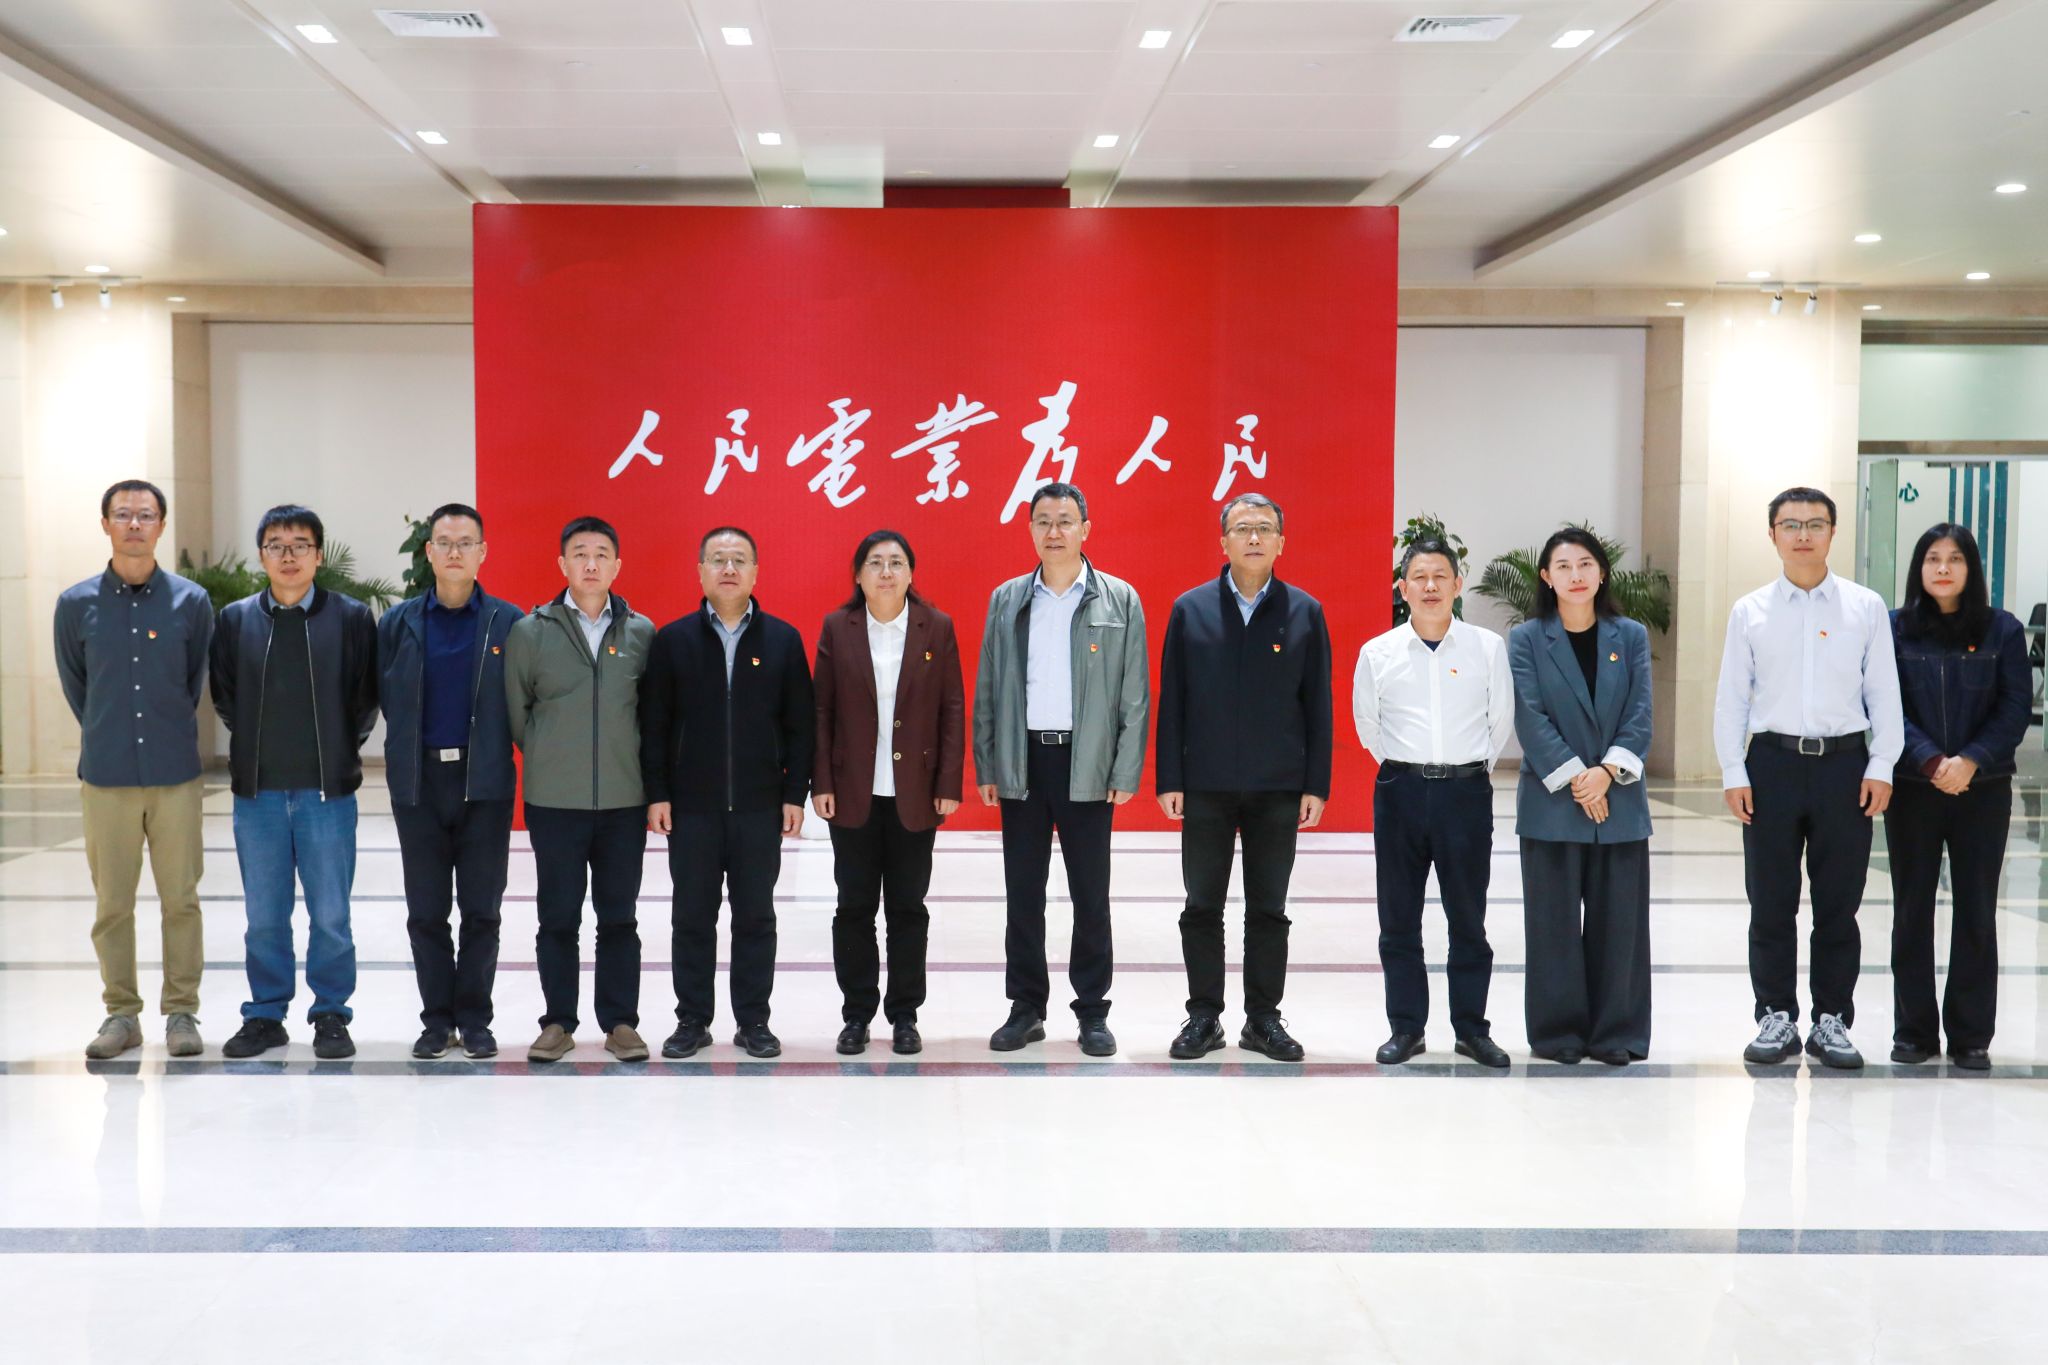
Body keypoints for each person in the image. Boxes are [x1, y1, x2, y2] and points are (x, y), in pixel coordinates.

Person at [1715, 486, 1902, 1069]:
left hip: (1845, 767)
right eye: (1791, 525)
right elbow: (1732, 697)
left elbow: (1884, 693)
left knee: (1838, 904)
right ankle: (1775, 1015)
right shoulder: (1750, 611)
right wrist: (1733, 769)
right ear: (1772, 534)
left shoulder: (1865, 607)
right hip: (1771, 765)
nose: (1803, 535)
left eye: (1815, 524)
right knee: (1770, 902)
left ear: (1832, 532)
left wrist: (1881, 764)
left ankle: (1831, 1020)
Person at [974, 482, 1149, 1057]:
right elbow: (989, 686)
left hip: (1087, 762)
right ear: (1030, 530)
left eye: (1065, 520)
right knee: (1022, 894)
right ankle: (1026, 1008)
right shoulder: (1007, 599)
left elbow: (1134, 694)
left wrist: (1125, 769)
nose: (1054, 532)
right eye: (1043, 521)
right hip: (1023, 761)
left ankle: (1093, 1012)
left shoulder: (1119, 599)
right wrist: (989, 761)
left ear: (1085, 529)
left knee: (1090, 895)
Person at [1155, 493, 1332, 1061]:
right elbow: (1173, 700)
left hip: (1278, 785)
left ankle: (1263, 1020)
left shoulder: (1304, 612)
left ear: (1281, 541)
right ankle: (1204, 1017)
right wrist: (1169, 777)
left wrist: (1316, 783)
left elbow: (1318, 705)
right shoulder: (1191, 609)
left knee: (1269, 908)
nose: (1253, 537)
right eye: (1242, 528)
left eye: (1264, 528)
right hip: (1205, 784)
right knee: (1201, 905)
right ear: (1223, 541)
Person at [210, 504, 378, 1060]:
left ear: (318, 555)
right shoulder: (235, 620)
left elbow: (364, 698)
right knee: (264, 916)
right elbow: (225, 696)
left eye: (300, 545)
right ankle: (265, 1014)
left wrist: (337, 752)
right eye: (277, 546)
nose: (288, 556)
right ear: (262, 555)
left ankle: (331, 1013)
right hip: (257, 796)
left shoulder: (350, 618)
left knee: (331, 915)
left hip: (327, 794)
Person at [54, 480, 215, 1059]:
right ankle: (121, 1014)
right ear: (105, 524)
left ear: (161, 526)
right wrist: (110, 729)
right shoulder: (75, 605)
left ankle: (182, 1012)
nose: (134, 524)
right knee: (112, 906)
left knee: (181, 900)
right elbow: (79, 687)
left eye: (145, 515)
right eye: (123, 515)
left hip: (176, 775)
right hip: (107, 776)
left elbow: (193, 681)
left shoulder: (191, 602)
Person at [641, 527, 813, 1060]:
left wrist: (795, 794)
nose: (729, 568)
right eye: (718, 559)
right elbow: (654, 724)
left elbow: (801, 726)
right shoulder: (673, 641)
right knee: (692, 917)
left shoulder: (782, 640)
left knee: (756, 917)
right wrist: (658, 792)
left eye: (739, 559)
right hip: (691, 808)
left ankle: (753, 1021)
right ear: (700, 571)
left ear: (756, 572)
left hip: (760, 807)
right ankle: (692, 1020)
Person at [1353, 538, 1513, 1068]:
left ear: (1457, 584)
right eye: (1418, 577)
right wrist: (1409, 767)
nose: (1429, 586)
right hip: (1400, 790)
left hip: (1465, 793)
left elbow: (1499, 721)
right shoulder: (1378, 652)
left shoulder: (1486, 648)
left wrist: (1464, 770)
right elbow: (1368, 724)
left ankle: (1471, 1029)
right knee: (1398, 918)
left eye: (1440, 576)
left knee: (1468, 918)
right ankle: (1406, 1028)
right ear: (1402, 588)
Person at [506, 516, 655, 1064]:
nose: (591, 564)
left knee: (619, 916)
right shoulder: (530, 632)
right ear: (562, 564)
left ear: (617, 566)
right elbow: (518, 713)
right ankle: (557, 1022)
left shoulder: (642, 633)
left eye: (601, 554)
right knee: (558, 917)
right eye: (580, 553)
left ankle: (620, 1022)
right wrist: (552, 757)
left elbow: (650, 715)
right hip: (555, 802)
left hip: (624, 800)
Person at [810, 531, 965, 1056]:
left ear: (910, 573)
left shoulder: (935, 627)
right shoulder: (839, 626)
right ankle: (856, 1015)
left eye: (896, 562)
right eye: (875, 563)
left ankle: (904, 1014)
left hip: (914, 794)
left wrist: (948, 783)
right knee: (853, 907)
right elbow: (822, 710)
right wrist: (821, 782)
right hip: (851, 792)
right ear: (858, 575)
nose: (886, 572)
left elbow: (951, 707)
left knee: (907, 908)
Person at [377, 502, 523, 1061]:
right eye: (444, 542)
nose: (455, 552)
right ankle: (437, 1021)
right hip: (418, 782)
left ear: (483, 552)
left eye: (466, 543)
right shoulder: (399, 623)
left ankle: (475, 1019)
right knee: (427, 911)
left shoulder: (508, 623)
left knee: (482, 910)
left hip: (484, 781)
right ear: (429, 552)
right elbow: (382, 695)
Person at [1507, 528, 1655, 1067]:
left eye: (1585, 564)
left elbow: (1641, 712)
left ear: (1602, 573)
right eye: (1564, 566)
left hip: (1620, 801)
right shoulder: (1526, 639)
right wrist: (1578, 777)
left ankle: (1618, 1031)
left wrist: (1606, 773)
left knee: (1622, 925)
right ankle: (1558, 1032)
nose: (1576, 575)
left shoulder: (1630, 636)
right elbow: (1529, 716)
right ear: (1546, 576)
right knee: (1553, 925)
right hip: (1552, 804)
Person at [1886, 523, 2030, 1070]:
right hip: (1914, 789)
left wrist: (1970, 760)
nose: (1943, 568)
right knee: (1912, 908)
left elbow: (2014, 708)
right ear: (1918, 569)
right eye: (1932, 558)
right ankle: (1913, 1032)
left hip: (1983, 791)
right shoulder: (1895, 629)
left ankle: (1971, 1035)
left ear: (1971, 568)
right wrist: (1930, 760)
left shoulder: (2002, 630)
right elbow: (1885, 705)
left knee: (1976, 908)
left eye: (1955, 559)